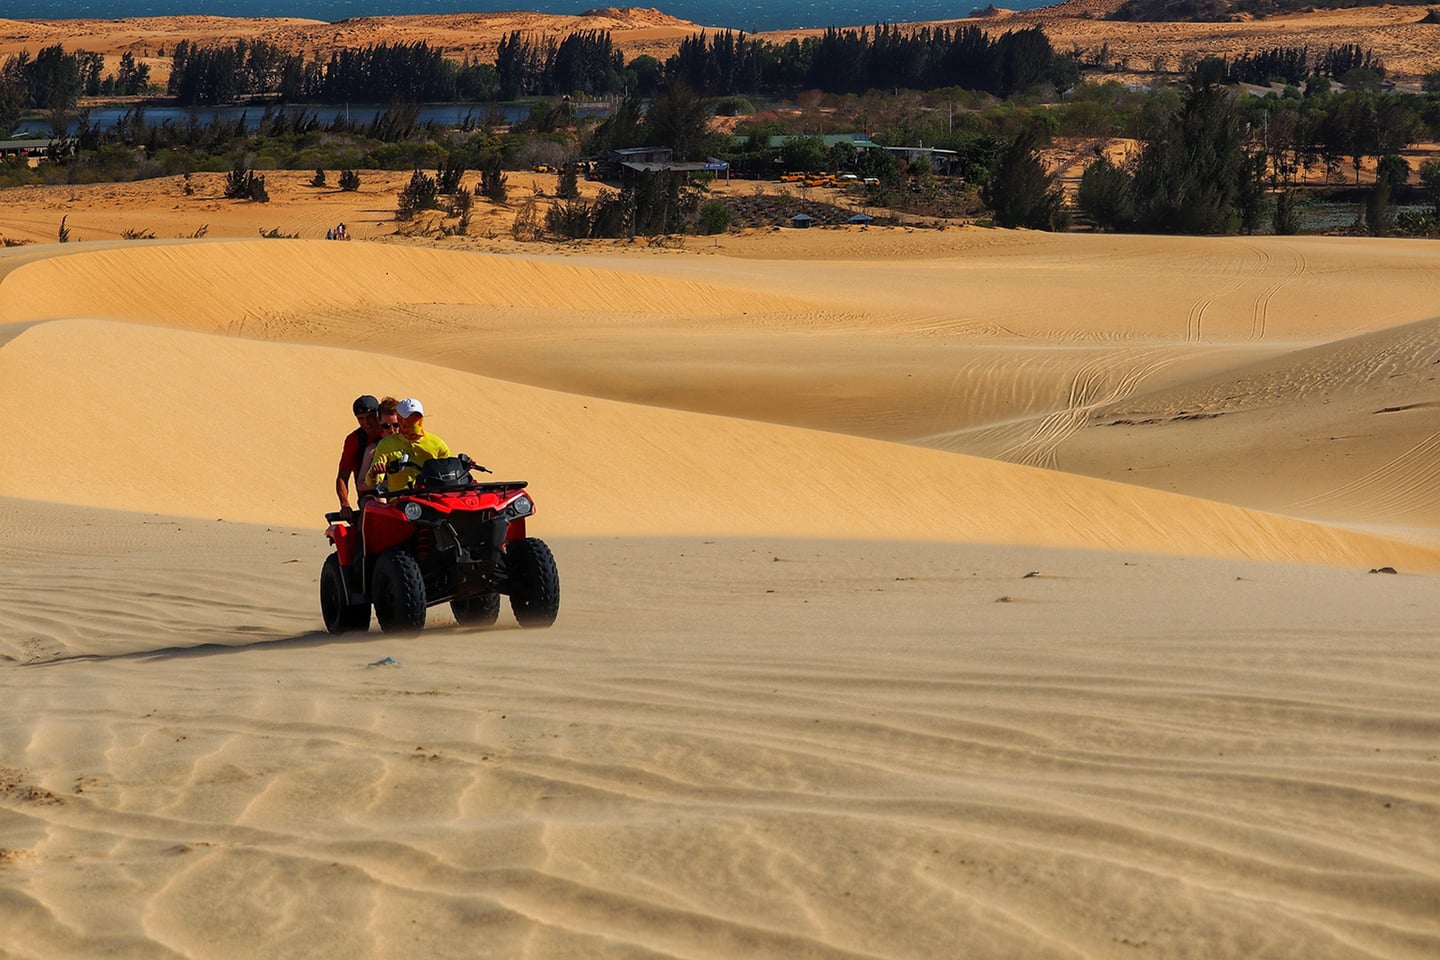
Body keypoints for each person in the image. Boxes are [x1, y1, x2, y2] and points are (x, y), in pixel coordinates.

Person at [366, 397, 451, 493]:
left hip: (430, 497)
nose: (414, 422)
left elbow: (450, 472)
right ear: (400, 419)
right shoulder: (386, 445)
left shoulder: (437, 444)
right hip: (400, 500)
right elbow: (371, 482)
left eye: (416, 418)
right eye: (408, 419)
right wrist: (373, 473)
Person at [336, 394, 382, 517]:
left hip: (399, 490)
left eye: (370, 417)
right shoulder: (354, 440)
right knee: (373, 506)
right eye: (361, 418)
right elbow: (342, 477)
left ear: (378, 415)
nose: (366, 423)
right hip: (369, 494)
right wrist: (345, 505)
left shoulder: (391, 430)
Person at [357, 397, 401, 505]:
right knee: (378, 503)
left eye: (396, 425)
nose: (392, 430)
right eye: (386, 426)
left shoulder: (412, 445)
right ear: (380, 422)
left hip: (408, 493)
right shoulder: (372, 449)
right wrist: (383, 484)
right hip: (380, 495)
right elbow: (360, 484)